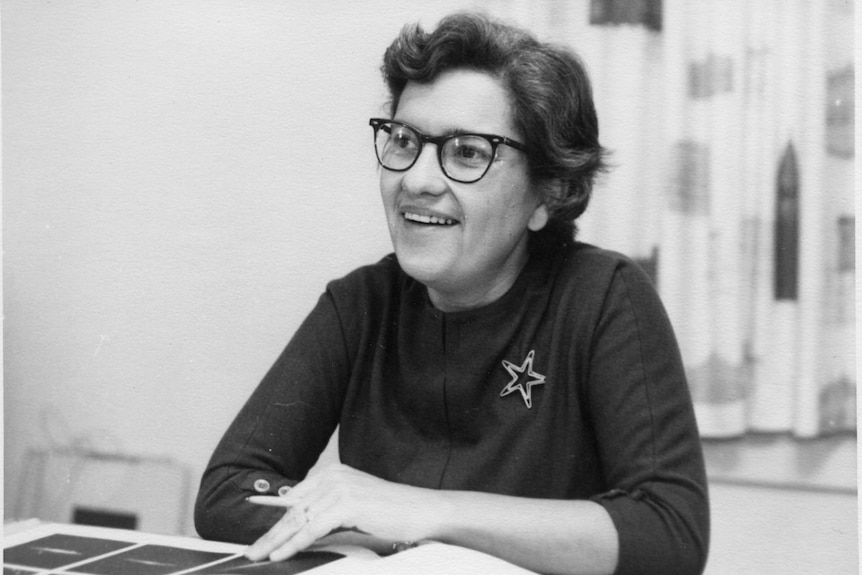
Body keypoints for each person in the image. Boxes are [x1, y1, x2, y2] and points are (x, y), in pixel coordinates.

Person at [194, 11, 709, 575]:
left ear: (549, 193)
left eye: (467, 152)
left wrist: (421, 513)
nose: (416, 179)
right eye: (404, 140)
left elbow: (669, 532)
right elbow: (227, 490)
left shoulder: (604, 297)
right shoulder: (361, 303)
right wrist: (373, 527)